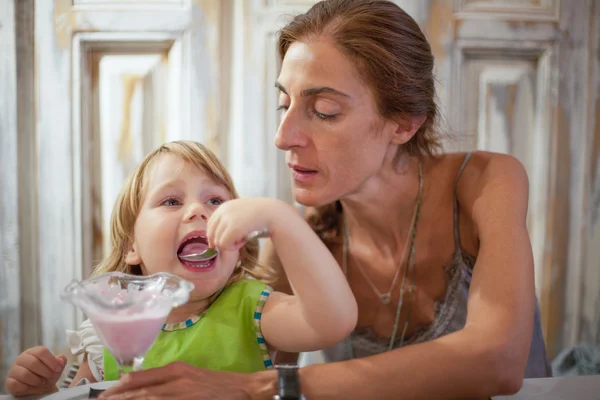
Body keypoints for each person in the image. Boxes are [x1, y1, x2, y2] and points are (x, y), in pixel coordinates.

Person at [91, 0, 553, 398]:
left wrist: (266, 390)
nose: (283, 136)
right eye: (284, 103)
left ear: (404, 123)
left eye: (324, 111)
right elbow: (229, 350)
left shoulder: (487, 181)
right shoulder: (297, 241)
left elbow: (500, 359)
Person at [3, 140, 358, 397]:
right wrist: (41, 390)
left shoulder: (252, 309)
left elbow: (332, 322)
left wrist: (282, 220)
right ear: (132, 247)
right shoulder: (109, 330)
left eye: (216, 201)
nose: (197, 211)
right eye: (171, 201)